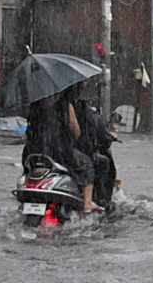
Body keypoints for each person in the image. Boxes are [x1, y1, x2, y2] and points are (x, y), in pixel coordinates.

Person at [23, 85, 98, 213]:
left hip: (32, 152)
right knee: (87, 165)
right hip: (59, 152)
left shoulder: (35, 106)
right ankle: (87, 203)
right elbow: (76, 131)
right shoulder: (65, 105)